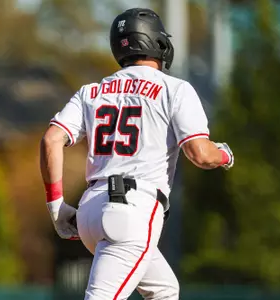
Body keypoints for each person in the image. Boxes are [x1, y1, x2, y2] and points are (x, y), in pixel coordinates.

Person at [39, 7, 234, 300]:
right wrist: (224, 154)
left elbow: (51, 140)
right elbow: (200, 154)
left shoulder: (91, 91)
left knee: (165, 291)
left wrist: (56, 207)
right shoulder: (174, 89)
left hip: (91, 210)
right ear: (156, 41)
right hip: (131, 212)